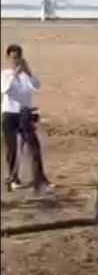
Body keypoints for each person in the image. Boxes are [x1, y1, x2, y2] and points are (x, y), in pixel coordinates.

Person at [1, 44, 52, 193]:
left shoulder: (27, 75)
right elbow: (5, 89)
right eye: (13, 58)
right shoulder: (5, 74)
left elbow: (36, 87)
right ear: (8, 58)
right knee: (12, 148)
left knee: (33, 146)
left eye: (18, 58)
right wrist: (14, 74)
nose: (15, 61)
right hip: (9, 113)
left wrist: (27, 72)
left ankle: (40, 178)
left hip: (24, 113)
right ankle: (13, 178)